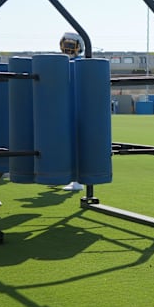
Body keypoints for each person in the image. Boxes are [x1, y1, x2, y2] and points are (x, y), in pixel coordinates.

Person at [59, 31, 85, 192]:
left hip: (78, 108)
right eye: (65, 44)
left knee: (77, 144)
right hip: (66, 108)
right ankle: (70, 176)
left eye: (71, 45)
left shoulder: (79, 63)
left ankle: (77, 179)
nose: (67, 48)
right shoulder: (64, 63)